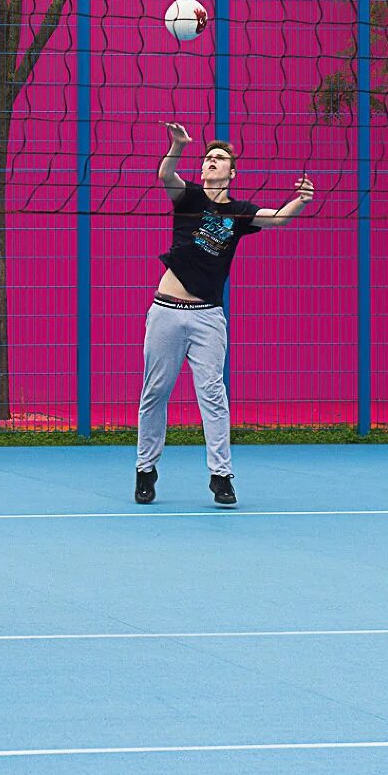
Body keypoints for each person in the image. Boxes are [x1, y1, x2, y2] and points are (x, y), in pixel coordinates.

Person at [136, 123, 314, 507]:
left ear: (232, 172)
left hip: (207, 317)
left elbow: (277, 218)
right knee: (155, 393)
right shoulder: (189, 198)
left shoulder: (240, 212)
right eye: (208, 159)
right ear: (202, 170)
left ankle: (221, 477)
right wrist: (178, 147)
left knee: (213, 395)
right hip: (166, 310)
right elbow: (165, 174)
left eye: (219, 160)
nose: (211, 163)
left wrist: (299, 200)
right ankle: (146, 470)